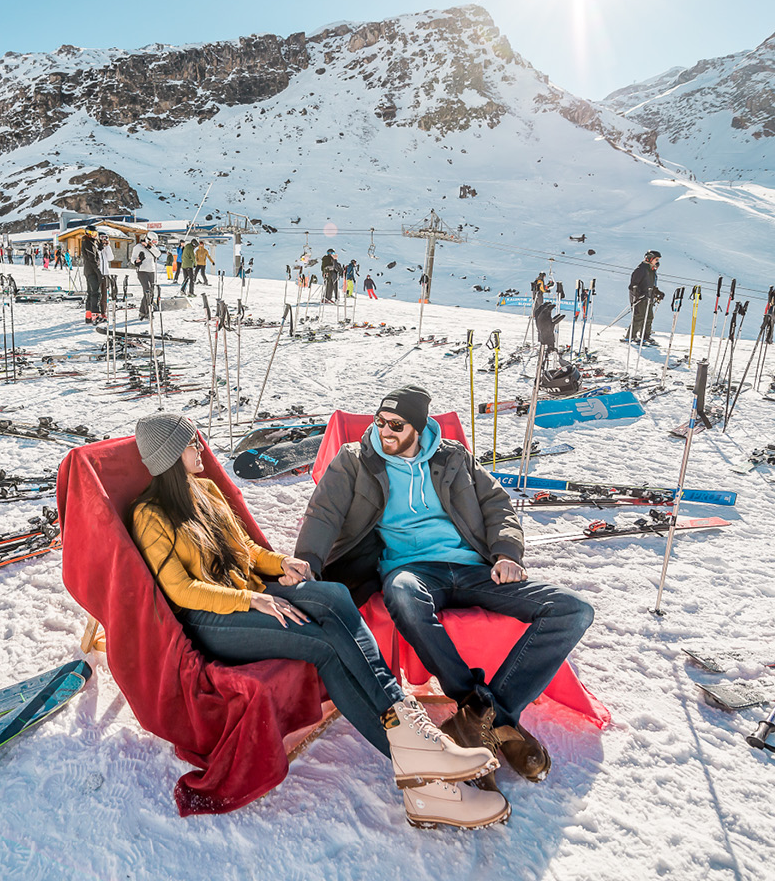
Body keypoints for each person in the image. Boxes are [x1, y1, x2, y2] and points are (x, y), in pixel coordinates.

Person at [129, 413, 509, 830]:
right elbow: (180, 590)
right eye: (189, 443)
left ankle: (412, 742)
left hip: (251, 592)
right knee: (325, 646)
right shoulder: (149, 515)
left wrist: (282, 563)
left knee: (333, 594)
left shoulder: (204, 491)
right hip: (211, 618)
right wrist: (251, 598)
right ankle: (422, 760)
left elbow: (249, 551)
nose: (199, 448)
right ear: (168, 456)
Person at [295, 385, 594, 790]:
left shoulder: (454, 457)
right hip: (411, 570)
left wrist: (507, 554)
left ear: (418, 427)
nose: (384, 430)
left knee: (573, 611)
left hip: (473, 568)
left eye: (396, 425)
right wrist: (308, 564)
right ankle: (480, 708)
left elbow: (497, 505)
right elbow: (323, 513)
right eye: (379, 421)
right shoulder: (355, 460)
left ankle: (484, 717)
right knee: (401, 595)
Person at [626, 250, 664, 346]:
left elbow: (650, 285)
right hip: (640, 298)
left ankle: (645, 336)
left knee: (649, 317)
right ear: (650, 258)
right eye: (656, 259)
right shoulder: (641, 270)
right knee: (639, 316)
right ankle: (631, 336)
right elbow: (633, 286)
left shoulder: (651, 270)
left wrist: (657, 292)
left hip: (649, 297)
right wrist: (638, 295)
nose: (657, 261)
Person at [131, 231, 161, 320]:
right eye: (153, 241)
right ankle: (147, 312)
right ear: (148, 239)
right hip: (142, 271)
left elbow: (158, 254)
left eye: (155, 242)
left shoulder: (152, 247)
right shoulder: (138, 247)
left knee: (151, 292)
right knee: (147, 290)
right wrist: (136, 261)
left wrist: (149, 247)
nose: (153, 243)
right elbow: (132, 258)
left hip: (151, 271)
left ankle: (142, 311)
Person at [81, 226, 102, 325]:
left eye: (94, 233)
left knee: (90, 293)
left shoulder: (90, 242)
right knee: (96, 293)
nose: (93, 235)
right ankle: (95, 315)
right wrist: (98, 272)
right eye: (91, 233)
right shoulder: (88, 243)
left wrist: (99, 245)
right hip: (91, 271)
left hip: (89, 270)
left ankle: (88, 316)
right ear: (87, 233)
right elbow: (92, 259)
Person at [97, 232, 114, 323]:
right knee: (98, 294)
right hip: (98, 273)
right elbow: (96, 258)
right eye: (102, 238)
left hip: (106, 273)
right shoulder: (96, 247)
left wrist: (107, 247)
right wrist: (99, 249)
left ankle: (103, 312)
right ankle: (96, 312)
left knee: (104, 294)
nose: (104, 240)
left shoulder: (106, 249)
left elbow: (111, 258)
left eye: (105, 238)